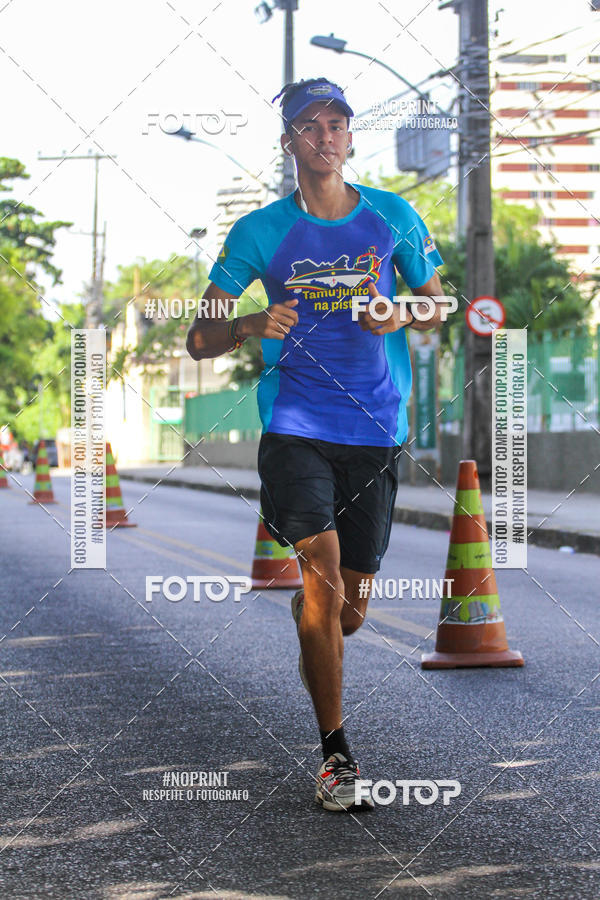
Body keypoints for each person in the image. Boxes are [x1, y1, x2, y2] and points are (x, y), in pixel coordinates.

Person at [187, 77, 445, 812]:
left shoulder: (393, 216)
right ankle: (337, 758)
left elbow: (438, 303)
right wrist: (246, 325)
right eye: (310, 124)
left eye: (338, 123)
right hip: (295, 426)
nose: (326, 135)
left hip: (376, 432)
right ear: (289, 144)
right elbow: (198, 336)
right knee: (322, 579)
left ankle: (318, 634)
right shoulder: (258, 233)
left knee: (347, 611)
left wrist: (402, 313)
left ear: (350, 138)